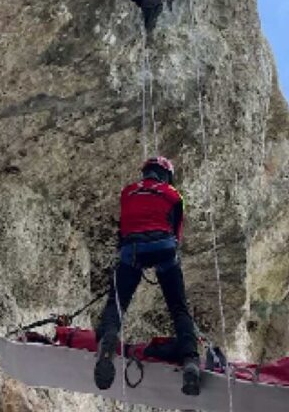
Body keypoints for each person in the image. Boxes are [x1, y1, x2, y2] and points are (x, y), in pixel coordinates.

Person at [94, 156, 201, 396]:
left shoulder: (128, 191)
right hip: (164, 247)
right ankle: (190, 361)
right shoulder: (174, 195)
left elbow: (123, 228)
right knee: (178, 308)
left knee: (117, 304)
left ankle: (107, 343)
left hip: (132, 251)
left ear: (146, 173)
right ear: (167, 176)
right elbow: (177, 233)